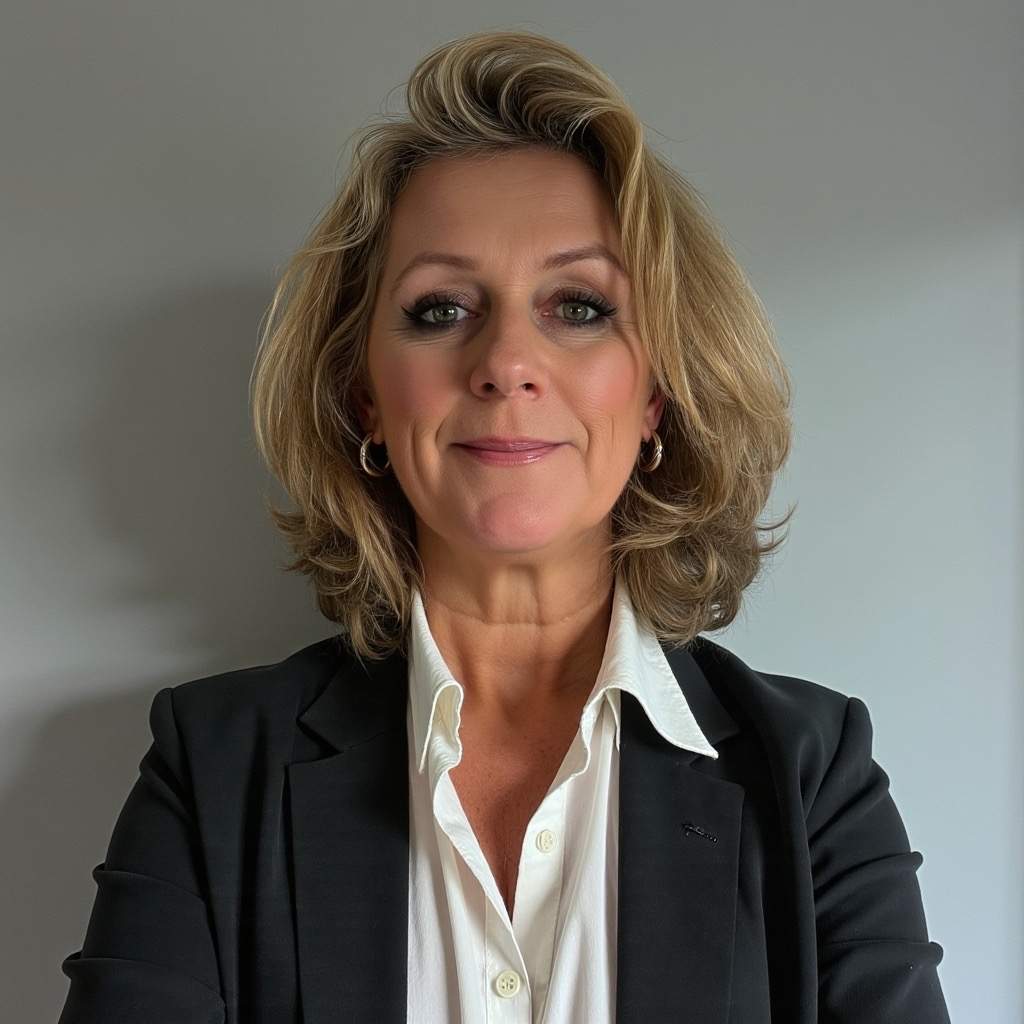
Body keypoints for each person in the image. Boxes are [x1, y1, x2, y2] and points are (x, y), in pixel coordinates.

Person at [57, 28, 951, 1024]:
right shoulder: (215, 767)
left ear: (656, 394)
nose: (505, 362)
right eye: (440, 309)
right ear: (364, 397)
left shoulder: (813, 773)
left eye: (578, 306)